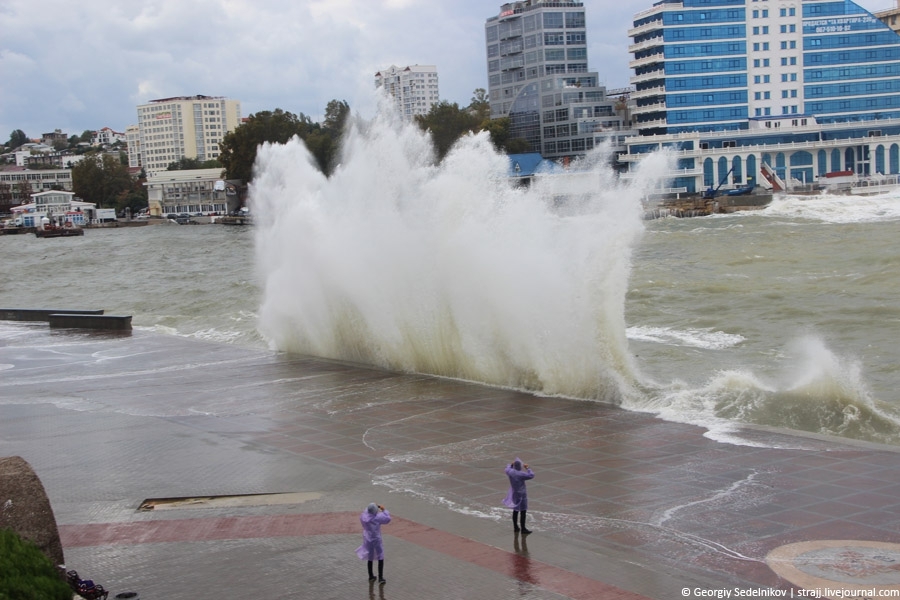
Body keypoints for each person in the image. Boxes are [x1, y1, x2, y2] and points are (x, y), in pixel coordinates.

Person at [356, 502, 391, 584]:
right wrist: (383, 509)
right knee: (380, 555)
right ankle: (381, 577)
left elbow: (366, 510)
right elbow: (388, 519)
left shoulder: (363, 516)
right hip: (376, 538)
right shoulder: (377, 517)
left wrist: (373, 506)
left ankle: (371, 576)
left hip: (367, 537)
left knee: (370, 556)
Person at [502, 458, 534, 534]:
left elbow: (507, 468)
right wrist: (528, 468)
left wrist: (511, 464)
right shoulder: (521, 474)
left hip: (514, 492)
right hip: (522, 494)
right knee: (523, 510)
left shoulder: (510, 472)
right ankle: (523, 528)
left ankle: (515, 527)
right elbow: (531, 475)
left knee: (515, 510)